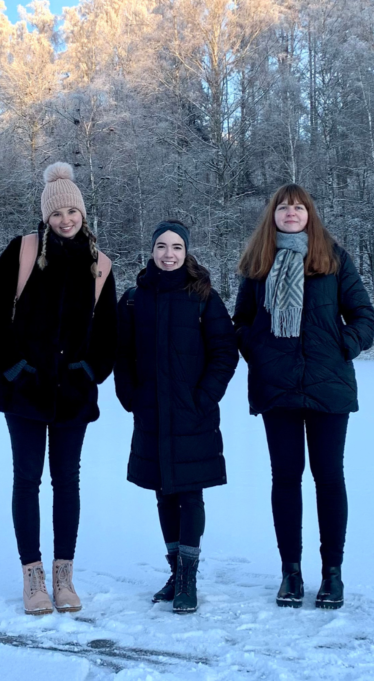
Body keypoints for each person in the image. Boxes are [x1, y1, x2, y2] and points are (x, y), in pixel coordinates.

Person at [0, 162, 117, 616]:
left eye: (72, 213)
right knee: (27, 480)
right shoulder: (21, 252)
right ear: (46, 216)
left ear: (82, 213)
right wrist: (14, 368)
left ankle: (64, 576)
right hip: (25, 392)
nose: (65, 220)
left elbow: (108, 333)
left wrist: (89, 371)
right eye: (57, 214)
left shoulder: (99, 264)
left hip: (73, 394)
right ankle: (32, 575)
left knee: (67, 481)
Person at [232, 184, 374, 610]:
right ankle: (290, 573)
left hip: (327, 384)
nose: (291, 213)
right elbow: (240, 322)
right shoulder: (257, 264)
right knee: (286, 479)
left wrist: (341, 345)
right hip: (277, 387)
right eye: (283, 207)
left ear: (309, 213)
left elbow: (364, 317)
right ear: (272, 215)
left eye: (298, 207)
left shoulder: (332, 258)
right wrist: (258, 349)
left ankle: (332, 574)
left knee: (329, 479)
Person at [114, 221, 238, 614]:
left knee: (190, 493)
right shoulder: (133, 299)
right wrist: (131, 397)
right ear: (152, 251)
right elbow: (122, 353)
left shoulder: (203, 296)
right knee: (163, 491)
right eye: (163, 246)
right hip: (151, 411)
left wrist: (204, 397)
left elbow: (225, 352)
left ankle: (188, 578)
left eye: (177, 247)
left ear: (187, 253)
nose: (169, 254)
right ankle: (174, 571)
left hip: (192, 413)